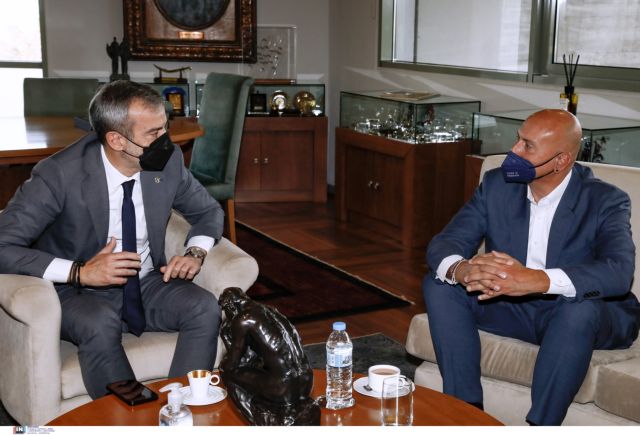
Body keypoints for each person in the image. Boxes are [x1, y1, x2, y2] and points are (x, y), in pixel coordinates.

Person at [0, 80, 224, 399]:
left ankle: (184, 405)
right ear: (116, 140)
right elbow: (4, 245)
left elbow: (208, 211)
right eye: (153, 133)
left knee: (204, 307)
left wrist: (195, 253)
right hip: (76, 291)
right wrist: (79, 271)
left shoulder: (167, 161)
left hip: (146, 282)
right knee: (98, 321)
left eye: (165, 128)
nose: (167, 141)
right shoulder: (59, 174)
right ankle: (127, 417)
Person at [423, 109, 640, 425]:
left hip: (575, 314)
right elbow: (446, 242)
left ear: (561, 160)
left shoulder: (605, 200)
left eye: (527, 146)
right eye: (518, 139)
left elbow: (618, 271)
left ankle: (541, 425)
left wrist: (537, 280)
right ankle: (466, 413)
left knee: (579, 309)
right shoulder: (497, 184)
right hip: (512, 306)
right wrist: (463, 270)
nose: (514, 151)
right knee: (440, 284)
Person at [218, 287, 319, 425]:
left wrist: (225, 335)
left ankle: (256, 422)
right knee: (258, 368)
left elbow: (233, 362)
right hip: (307, 380)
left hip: (283, 387)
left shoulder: (243, 320)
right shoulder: (270, 310)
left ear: (230, 306)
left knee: (227, 372)